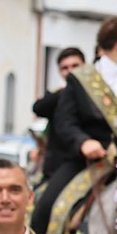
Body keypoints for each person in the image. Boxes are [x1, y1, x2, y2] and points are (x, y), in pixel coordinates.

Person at [32, 16, 117, 234]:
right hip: (86, 163)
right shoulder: (80, 79)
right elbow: (65, 121)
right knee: (44, 209)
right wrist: (83, 142)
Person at [31, 47, 86, 184]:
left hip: (85, 162)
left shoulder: (93, 96)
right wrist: (69, 91)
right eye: (65, 68)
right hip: (57, 164)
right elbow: (38, 108)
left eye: (75, 66)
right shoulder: (57, 95)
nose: (70, 71)